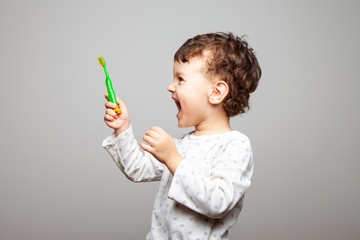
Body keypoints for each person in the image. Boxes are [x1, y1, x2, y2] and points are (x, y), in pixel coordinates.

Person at [102, 32, 261, 240]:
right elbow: (136, 168)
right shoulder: (181, 144)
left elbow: (218, 201)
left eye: (181, 79)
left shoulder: (235, 145)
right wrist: (123, 128)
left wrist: (173, 159)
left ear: (216, 92)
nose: (170, 86)